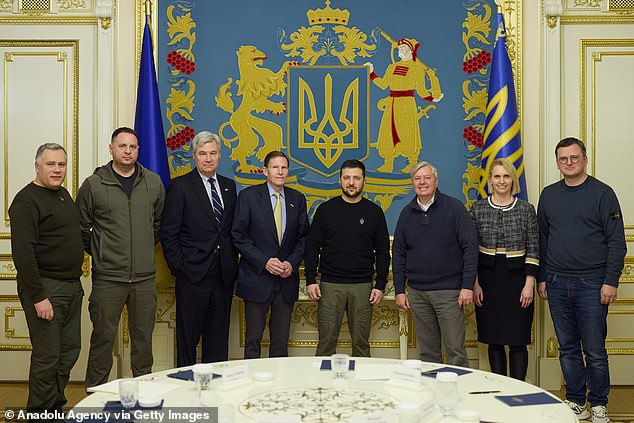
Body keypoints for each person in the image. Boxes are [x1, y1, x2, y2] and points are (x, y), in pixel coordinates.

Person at [537, 137, 625, 423]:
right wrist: (542, 278)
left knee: (595, 350)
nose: (569, 163)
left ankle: (598, 403)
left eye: (574, 158)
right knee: (567, 348)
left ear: (585, 159)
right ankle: (576, 401)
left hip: (593, 283)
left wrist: (610, 280)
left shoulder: (603, 194)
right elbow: (542, 239)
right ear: (557, 162)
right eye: (563, 159)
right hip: (557, 282)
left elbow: (616, 241)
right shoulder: (548, 195)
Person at [76, 127, 165, 388]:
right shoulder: (93, 184)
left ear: (138, 150)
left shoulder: (153, 182)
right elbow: (81, 228)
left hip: (144, 279)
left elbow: (159, 225)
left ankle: (144, 397)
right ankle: (94, 397)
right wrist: (102, 251)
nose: (128, 151)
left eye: (133, 147)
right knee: (103, 340)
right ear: (111, 149)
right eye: (122, 146)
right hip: (108, 280)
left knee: (143, 342)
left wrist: (141, 248)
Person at [9, 143, 84, 420]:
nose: (57, 170)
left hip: (72, 287)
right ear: (37, 166)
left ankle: (54, 409)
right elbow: (23, 254)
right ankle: (38, 414)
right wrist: (39, 297)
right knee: (47, 357)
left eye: (61, 165)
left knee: (68, 353)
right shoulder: (26, 201)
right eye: (51, 164)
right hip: (45, 288)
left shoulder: (62, 194)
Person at [160, 131, 238, 366]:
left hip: (223, 276)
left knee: (218, 339)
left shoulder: (229, 186)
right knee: (188, 339)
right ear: (194, 156)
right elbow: (168, 232)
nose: (208, 158)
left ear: (219, 155)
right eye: (202, 153)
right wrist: (180, 268)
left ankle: (215, 390)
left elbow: (230, 230)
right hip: (192, 275)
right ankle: (186, 387)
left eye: (213, 153)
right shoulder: (180, 186)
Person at [392, 161, 477, 367]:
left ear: (436, 181)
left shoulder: (454, 208)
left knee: (455, 351)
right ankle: (432, 397)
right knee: (428, 354)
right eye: (417, 179)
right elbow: (399, 254)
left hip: (449, 293)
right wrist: (399, 291)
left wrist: (467, 286)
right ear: (412, 182)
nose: (422, 182)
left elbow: (470, 248)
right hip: (417, 293)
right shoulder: (406, 214)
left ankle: (459, 397)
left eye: (427, 178)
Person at [305, 160, 390, 357]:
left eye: (356, 178)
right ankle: (323, 387)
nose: (351, 182)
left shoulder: (374, 212)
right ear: (340, 180)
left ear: (364, 181)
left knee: (361, 344)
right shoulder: (325, 210)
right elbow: (312, 246)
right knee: (326, 343)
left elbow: (383, 251)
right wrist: (310, 280)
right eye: (347, 178)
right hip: (329, 285)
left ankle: (361, 386)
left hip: (363, 287)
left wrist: (380, 284)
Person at [232, 151, 309, 359]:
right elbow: (238, 236)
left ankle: (279, 388)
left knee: (280, 342)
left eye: (284, 168)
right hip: (257, 279)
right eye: (275, 167)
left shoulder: (297, 199)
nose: (280, 172)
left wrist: (291, 263)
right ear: (265, 171)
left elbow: (304, 238)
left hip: (285, 281)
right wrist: (264, 261)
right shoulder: (248, 197)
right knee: (253, 340)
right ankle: (251, 388)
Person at [470, 158, 539, 380]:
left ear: (513, 180)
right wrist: (475, 283)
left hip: (518, 280)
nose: (501, 181)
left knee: (518, 340)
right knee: (494, 340)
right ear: (490, 180)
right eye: (497, 176)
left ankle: (518, 389)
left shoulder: (526, 209)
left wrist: (529, 284)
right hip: (488, 281)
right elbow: (470, 250)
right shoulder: (478, 208)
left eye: (506, 176)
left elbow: (534, 248)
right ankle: (500, 388)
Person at [366, 37, 443, 173]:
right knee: (389, 132)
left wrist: (432, 98)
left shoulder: (417, 68)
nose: (400, 51)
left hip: (407, 103)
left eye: (403, 48)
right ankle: (388, 163)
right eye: (400, 48)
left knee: (407, 132)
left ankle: (411, 164)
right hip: (392, 104)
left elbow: (421, 90)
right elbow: (384, 84)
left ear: (411, 51)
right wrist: (372, 73)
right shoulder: (392, 67)